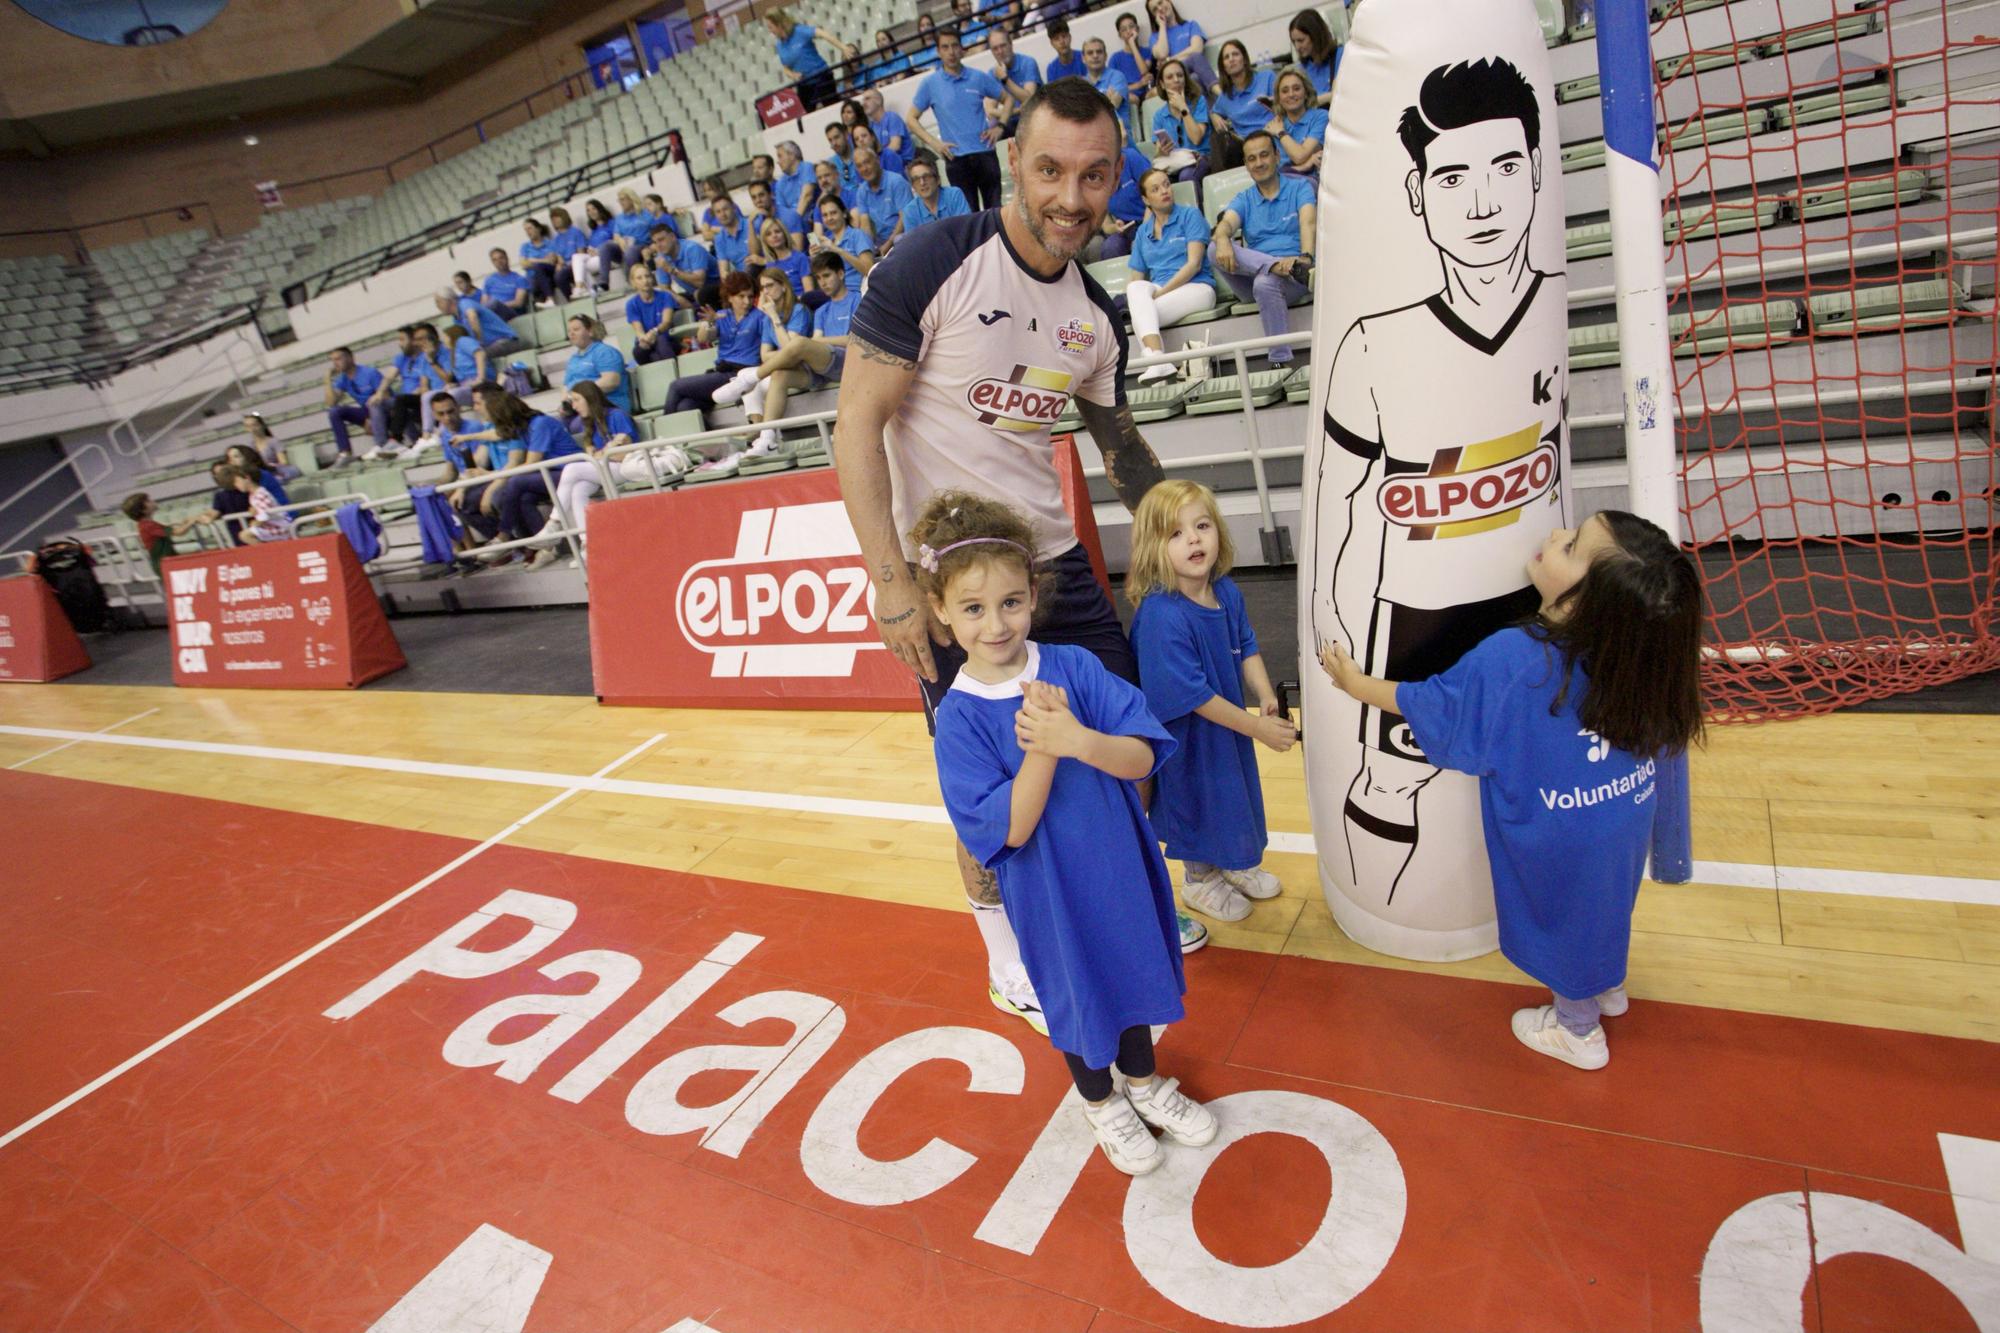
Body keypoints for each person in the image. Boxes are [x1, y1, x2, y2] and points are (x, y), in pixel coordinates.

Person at [834, 78, 1201, 1032]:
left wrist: (1181, 538)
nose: (1071, 198)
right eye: (1050, 170)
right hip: (956, 584)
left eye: (1093, 175)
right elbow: (854, 429)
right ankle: (1008, 960)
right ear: (1013, 165)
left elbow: (1118, 447)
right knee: (989, 796)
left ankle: (1122, 900)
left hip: (1058, 569)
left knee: (1127, 751)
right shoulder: (932, 263)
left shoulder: (1096, 313)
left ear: (1118, 177)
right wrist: (891, 586)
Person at [1321, 513, 1704, 1070]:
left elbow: (1435, 705)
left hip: (1557, 833)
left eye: (1570, 545)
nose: (1552, 536)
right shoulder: (1640, 648)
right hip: (1626, 812)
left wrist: (1355, 684)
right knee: (1605, 905)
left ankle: (1578, 1030)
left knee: (1563, 919)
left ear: (1583, 603)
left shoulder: (1514, 659)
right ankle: (1604, 984)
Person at [916, 490, 1216, 1175]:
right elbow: (1012, 826)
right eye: (972, 608)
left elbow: (1141, 756)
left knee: (1132, 973)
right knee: (1076, 994)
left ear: (1033, 593)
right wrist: (1047, 746)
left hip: (1118, 865)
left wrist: (1079, 736)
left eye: (1011, 602)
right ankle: (1100, 1097)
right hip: (1049, 890)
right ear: (940, 610)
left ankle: (1144, 1082)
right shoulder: (959, 720)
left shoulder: (1075, 668)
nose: (996, 624)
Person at [1128, 480, 1295, 925]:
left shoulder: (1225, 591)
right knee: (1196, 800)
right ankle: (1199, 879)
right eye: (1176, 534)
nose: (1194, 539)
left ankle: (1233, 863)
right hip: (1188, 738)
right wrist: (1256, 728)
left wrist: (1263, 696)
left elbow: (1247, 644)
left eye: (1201, 526)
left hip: (1228, 727)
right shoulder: (1163, 616)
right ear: (1153, 548)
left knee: (1231, 795)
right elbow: (1195, 697)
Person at [713, 256, 855, 440]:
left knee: (799, 343)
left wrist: (812, 341)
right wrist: (811, 341)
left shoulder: (852, 300)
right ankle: (765, 438)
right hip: (819, 365)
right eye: (818, 278)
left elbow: (854, 341)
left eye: (826, 276)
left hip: (849, 361)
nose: (822, 283)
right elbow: (766, 355)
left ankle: (749, 378)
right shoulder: (821, 311)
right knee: (777, 374)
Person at [544, 382, 693, 552]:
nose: (574, 406)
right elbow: (595, 455)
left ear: (590, 398)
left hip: (627, 467)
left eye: (577, 400)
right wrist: (606, 451)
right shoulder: (590, 423)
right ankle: (587, 544)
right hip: (605, 469)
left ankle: (555, 523)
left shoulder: (617, 415)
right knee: (578, 489)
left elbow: (622, 454)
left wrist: (602, 453)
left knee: (572, 469)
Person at [1211, 131, 1316, 367]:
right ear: (1246, 166)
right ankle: (1273, 267)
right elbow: (1226, 224)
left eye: (1264, 155)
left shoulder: (1300, 188)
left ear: (1277, 156)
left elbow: (1308, 223)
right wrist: (1224, 237)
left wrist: (1306, 258)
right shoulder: (1244, 199)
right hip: (1258, 274)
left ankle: (1279, 360)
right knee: (1213, 247)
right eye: (1252, 159)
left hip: (1295, 274)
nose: (1259, 163)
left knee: (1264, 282)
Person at [457, 388, 584, 549]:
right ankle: (547, 548)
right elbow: (495, 434)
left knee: (516, 482)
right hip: (551, 474)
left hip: (572, 472)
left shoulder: (540, 424)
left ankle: (503, 534)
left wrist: (491, 475)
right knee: (524, 498)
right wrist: (465, 438)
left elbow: (531, 464)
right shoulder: (521, 429)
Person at [1125, 168, 1215, 383]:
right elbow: (1136, 279)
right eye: (1156, 189)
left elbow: (1193, 264)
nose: (1164, 191)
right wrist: (1145, 298)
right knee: (1134, 290)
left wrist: (1159, 294)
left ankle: (1155, 363)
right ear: (1146, 199)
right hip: (1160, 292)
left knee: (1143, 315)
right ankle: (1158, 360)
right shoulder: (1142, 232)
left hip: (1198, 287)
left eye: (1166, 184)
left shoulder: (1190, 215)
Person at [911, 29, 1008, 212]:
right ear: (939, 52)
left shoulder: (978, 77)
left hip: (985, 152)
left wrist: (1000, 127)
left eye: (955, 45)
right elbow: (911, 119)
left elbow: (1007, 99)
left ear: (962, 49)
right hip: (956, 159)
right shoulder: (930, 84)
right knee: (967, 215)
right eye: (945, 47)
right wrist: (935, 144)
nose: (951, 51)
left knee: (995, 212)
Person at [663, 271, 776, 421]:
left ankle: (662, 439)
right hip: (721, 373)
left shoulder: (760, 317)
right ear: (730, 296)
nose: (747, 301)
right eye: (741, 296)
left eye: (750, 296)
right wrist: (709, 322)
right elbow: (703, 338)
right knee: (686, 406)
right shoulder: (721, 315)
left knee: (676, 386)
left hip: (739, 373)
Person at [430, 392, 500, 547]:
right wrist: (433, 486)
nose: (447, 417)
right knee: (433, 497)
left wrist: (459, 488)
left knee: (455, 501)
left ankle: (478, 548)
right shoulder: (444, 435)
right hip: (465, 480)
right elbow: (451, 471)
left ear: (458, 409)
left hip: (480, 477)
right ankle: (464, 555)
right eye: (441, 414)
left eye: (450, 411)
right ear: (434, 415)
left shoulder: (474, 428)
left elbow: (477, 465)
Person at [766, 7, 856, 110]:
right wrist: (793, 75)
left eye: (771, 27)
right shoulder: (779, 45)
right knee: (805, 114)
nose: (770, 31)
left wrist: (843, 48)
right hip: (804, 84)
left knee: (832, 108)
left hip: (821, 76)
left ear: (779, 24)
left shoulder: (800, 31)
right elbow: (785, 68)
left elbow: (824, 34)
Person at [1209, 39, 1276, 168]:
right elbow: (1214, 111)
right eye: (1226, 57)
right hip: (1244, 147)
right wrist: (1214, 116)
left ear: (1244, 59)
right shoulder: (1225, 96)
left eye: (1235, 54)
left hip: (1271, 137)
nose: (1231, 59)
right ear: (1223, 66)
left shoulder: (1267, 77)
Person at [323, 346, 389, 467]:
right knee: (334, 411)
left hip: (381, 408)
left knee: (374, 405)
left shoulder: (369, 372)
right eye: (332, 360)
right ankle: (345, 453)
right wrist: (327, 379)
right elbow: (331, 402)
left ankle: (382, 445)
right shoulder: (342, 379)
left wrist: (372, 418)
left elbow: (386, 396)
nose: (335, 363)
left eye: (338, 359)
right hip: (365, 410)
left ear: (350, 358)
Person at [1150, 58, 1210, 189]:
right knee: (1155, 181)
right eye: (1170, 77)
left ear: (1185, 79)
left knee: (1186, 176)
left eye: (1180, 75)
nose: (1176, 80)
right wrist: (1161, 151)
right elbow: (1158, 155)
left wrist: (1183, 108)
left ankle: (1196, 209)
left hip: (1199, 159)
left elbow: (1196, 138)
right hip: (1174, 162)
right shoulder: (1158, 116)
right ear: (1162, 84)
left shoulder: (1199, 102)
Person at [1094, 130, 1153, 259]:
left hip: (1152, 220)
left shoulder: (1131, 157)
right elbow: (1106, 226)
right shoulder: (1094, 176)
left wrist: (1141, 235)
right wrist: (1115, 227)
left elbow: (1154, 199)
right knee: (1111, 247)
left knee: (1146, 245)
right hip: (1127, 228)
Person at [561, 314, 632, 419]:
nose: (571, 334)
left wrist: (578, 395)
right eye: (569, 331)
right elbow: (566, 386)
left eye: (576, 329)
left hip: (606, 406)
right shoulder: (573, 359)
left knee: (577, 426)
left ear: (590, 331)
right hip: (579, 408)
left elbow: (610, 382)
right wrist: (565, 402)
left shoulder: (604, 352)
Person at [849, 146, 915, 251]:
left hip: (906, 238)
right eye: (859, 166)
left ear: (877, 161)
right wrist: (867, 249)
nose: (864, 169)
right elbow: (865, 225)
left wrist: (888, 244)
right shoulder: (861, 191)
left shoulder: (896, 182)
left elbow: (905, 218)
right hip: (881, 243)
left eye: (867, 162)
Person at [1266, 67, 1327, 178]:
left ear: (1306, 93)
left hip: (1311, 181)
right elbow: (1272, 171)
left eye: (1296, 88)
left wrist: (1281, 133)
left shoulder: (1320, 117)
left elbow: (1299, 156)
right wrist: (1305, 166)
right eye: (1285, 91)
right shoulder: (1274, 125)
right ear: (1279, 98)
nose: (1291, 94)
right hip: (1282, 183)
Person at [1147, 0, 1218, 94]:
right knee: (1194, 64)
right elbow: (1162, 54)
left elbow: (1197, 49)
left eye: (1160, 3)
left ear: (1169, 1)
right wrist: (1162, 26)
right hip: (1174, 77)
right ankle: (1220, 94)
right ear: (1153, 16)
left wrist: (1169, 60)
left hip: (1191, 74)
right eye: (1155, 9)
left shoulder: (1191, 25)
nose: (1160, 8)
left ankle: (1218, 97)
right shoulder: (1154, 37)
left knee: (1195, 75)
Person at [122, 492, 200, 577]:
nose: (152, 501)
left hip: (168, 562)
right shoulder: (148, 525)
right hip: (165, 564)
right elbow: (179, 532)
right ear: (143, 509)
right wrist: (193, 520)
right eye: (148, 501)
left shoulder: (148, 524)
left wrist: (186, 523)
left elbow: (174, 530)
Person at [647, 222, 719, 311]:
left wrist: (672, 270)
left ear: (672, 237)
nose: (658, 245)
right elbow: (664, 288)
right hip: (694, 292)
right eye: (655, 242)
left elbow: (700, 282)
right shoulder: (661, 257)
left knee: (699, 294)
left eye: (661, 240)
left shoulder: (692, 249)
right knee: (665, 302)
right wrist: (678, 299)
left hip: (719, 286)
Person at [810, 194, 877, 284]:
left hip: (858, 291)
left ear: (844, 213)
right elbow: (822, 282)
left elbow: (869, 270)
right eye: (825, 215)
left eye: (833, 213)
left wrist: (837, 250)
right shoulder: (825, 243)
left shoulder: (857, 235)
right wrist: (814, 258)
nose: (829, 218)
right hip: (835, 294)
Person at [624, 263, 680, 366]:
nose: (645, 281)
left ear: (652, 278)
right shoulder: (631, 304)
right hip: (647, 342)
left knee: (661, 340)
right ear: (633, 282)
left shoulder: (665, 296)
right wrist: (644, 338)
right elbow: (638, 329)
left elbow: (666, 322)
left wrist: (654, 332)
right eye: (639, 278)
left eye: (647, 276)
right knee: (638, 351)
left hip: (667, 339)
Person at [987, 28, 1040, 135]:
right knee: (991, 130)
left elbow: (1029, 99)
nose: (1000, 52)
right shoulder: (992, 73)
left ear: (1011, 44)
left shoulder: (1028, 63)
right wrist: (1017, 111)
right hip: (1010, 123)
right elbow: (990, 111)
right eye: (995, 49)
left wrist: (1005, 79)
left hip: (1033, 119)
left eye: (1003, 46)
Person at [224, 465, 294, 544]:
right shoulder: (253, 495)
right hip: (270, 526)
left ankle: (265, 553)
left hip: (280, 526)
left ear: (247, 478)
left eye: (237, 482)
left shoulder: (261, 494)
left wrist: (256, 522)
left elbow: (264, 515)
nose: (236, 486)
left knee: (244, 535)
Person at [900, 159, 971, 234]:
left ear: (938, 179)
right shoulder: (910, 211)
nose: (922, 183)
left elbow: (966, 227)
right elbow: (913, 243)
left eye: (926, 176)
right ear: (913, 186)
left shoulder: (954, 195)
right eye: (916, 179)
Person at [759, 216, 817, 305]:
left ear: (784, 233)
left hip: (801, 306)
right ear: (765, 240)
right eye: (769, 234)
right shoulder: (769, 265)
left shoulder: (800, 258)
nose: (774, 236)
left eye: (777, 231)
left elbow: (809, 293)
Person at [1290, 8, 1341, 107]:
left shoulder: (1340, 56)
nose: (1297, 47)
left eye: (1301, 40)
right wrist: (1329, 97)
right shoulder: (1300, 69)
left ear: (1315, 35)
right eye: (1294, 42)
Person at [571, 199, 624, 294]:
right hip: (595, 257)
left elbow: (616, 240)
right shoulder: (594, 230)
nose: (591, 212)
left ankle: (588, 289)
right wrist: (590, 251)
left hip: (608, 257)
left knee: (581, 267)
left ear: (600, 209)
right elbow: (590, 247)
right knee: (576, 258)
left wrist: (598, 250)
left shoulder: (612, 223)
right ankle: (582, 287)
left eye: (593, 209)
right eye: (588, 210)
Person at [225, 443, 290, 508]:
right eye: (229, 458)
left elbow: (264, 497)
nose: (232, 461)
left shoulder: (262, 474)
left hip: (281, 511)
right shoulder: (237, 480)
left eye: (236, 456)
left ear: (246, 457)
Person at [748, 178, 806, 252]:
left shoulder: (789, 215)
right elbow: (754, 252)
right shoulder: (758, 221)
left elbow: (798, 250)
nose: (758, 200)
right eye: (754, 197)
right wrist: (750, 224)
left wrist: (764, 261)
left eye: (761, 195)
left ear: (771, 194)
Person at [241, 412, 301, 482]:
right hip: (262, 474)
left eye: (255, 425)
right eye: (248, 426)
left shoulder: (273, 441)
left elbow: (284, 462)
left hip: (277, 471)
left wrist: (269, 466)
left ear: (262, 425)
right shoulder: (250, 446)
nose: (253, 429)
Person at [709, 193, 760, 275]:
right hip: (743, 280)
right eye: (718, 212)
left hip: (761, 269)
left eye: (725, 209)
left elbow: (757, 253)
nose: (723, 214)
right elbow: (723, 270)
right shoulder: (719, 239)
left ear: (733, 208)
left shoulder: (752, 224)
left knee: (752, 267)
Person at [1111, 13, 1155, 106]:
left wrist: (1133, 45)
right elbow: (1113, 88)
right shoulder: (1115, 58)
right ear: (1120, 35)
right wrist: (1138, 84)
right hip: (1129, 96)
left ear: (1137, 29)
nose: (1128, 31)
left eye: (1131, 27)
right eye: (1124, 30)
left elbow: (1144, 71)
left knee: (1157, 92)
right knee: (1130, 98)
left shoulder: (1147, 51)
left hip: (1146, 93)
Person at [518, 218, 564, 305]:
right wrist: (543, 260)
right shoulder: (525, 246)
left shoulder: (550, 243)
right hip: (533, 278)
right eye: (526, 230)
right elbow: (523, 264)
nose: (528, 232)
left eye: (530, 228)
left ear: (538, 228)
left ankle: (549, 299)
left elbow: (552, 261)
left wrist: (532, 260)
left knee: (538, 268)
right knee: (533, 281)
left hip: (548, 273)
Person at [545, 206, 587, 297]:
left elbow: (581, 252)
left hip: (575, 264)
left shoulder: (576, 232)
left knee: (560, 276)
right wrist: (558, 263)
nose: (554, 220)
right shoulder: (556, 240)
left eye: (557, 217)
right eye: (552, 219)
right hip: (565, 266)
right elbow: (557, 257)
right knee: (556, 275)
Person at [481, 248, 533, 322]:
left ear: (507, 258)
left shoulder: (519, 279)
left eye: (501, 258)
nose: (499, 262)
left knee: (493, 304)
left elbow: (519, 302)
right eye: (495, 260)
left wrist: (499, 305)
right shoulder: (489, 280)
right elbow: (484, 303)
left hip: (511, 313)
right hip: (493, 313)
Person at [773, 140, 818, 222]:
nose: (777, 161)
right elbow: (782, 211)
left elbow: (807, 196)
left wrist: (795, 222)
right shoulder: (780, 183)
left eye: (780, 156)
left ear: (791, 155)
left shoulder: (806, 167)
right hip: (795, 224)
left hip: (813, 219)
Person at [1082, 37, 1129, 111]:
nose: (1095, 56)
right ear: (1083, 59)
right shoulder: (1081, 84)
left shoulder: (1117, 76)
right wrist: (1106, 99)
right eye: (1090, 53)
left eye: (1099, 52)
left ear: (1106, 56)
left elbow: (1113, 106)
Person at [863, 88, 910, 159]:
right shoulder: (871, 126)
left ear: (878, 101)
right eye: (863, 100)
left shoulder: (892, 117)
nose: (863, 103)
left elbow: (895, 146)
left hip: (904, 164)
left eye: (867, 99)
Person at [824, 119, 861, 194]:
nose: (834, 143)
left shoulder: (862, 154)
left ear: (846, 135)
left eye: (836, 137)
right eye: (830, 140)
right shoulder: (830, 164)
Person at [1043, 18, 1086, 83]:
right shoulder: (1052, 69)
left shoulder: (1085, 57)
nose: (1062, 42)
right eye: (1056, 39)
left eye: (1064, 36)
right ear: (1052, 43)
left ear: (1070, 37)